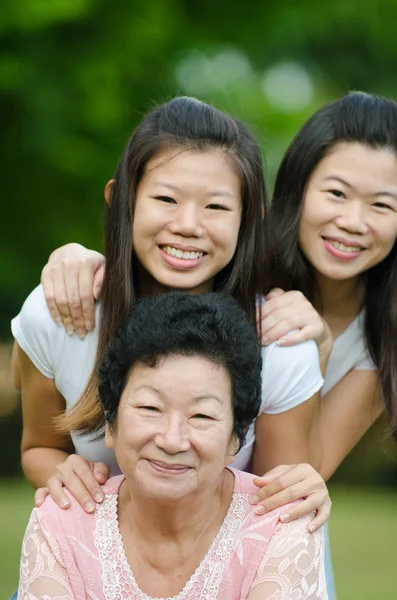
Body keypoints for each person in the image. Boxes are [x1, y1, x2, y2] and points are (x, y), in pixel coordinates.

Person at [11, 96, 329, 533]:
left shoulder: (279, 343)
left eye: (216, 207)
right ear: (122, 199)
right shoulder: (61, 314)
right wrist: (60, 472)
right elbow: (39, 449)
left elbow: (281, 503)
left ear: (248, 219)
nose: (188, 224)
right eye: (166, 198)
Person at [18, 291, 327, 599]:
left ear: (236, 438)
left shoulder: (281, 527)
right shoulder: (60, 523)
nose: (172, 440)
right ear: (110, 424)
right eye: (150, 408)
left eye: (202, 415)